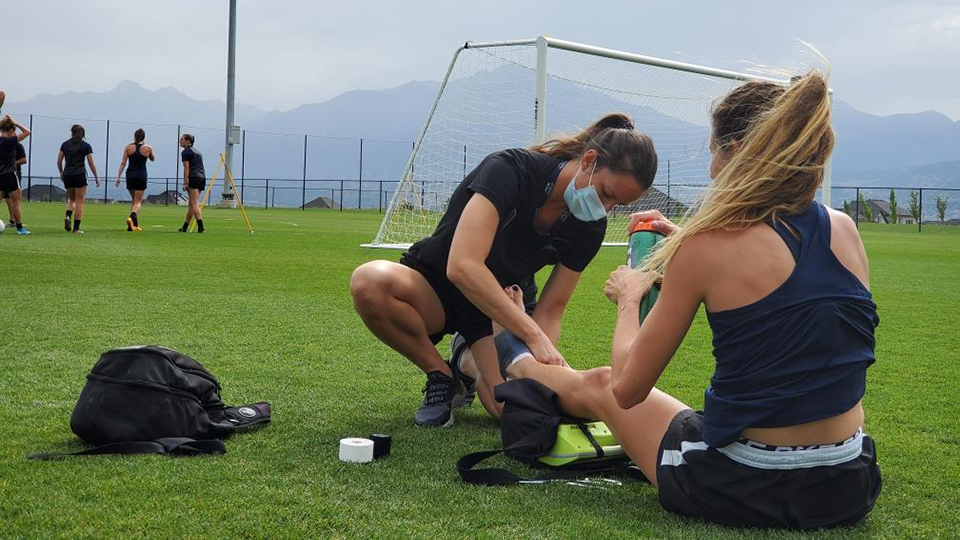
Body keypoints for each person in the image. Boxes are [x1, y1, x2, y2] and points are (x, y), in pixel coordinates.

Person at [476, 72, 882, 529]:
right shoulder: (844, 229)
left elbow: (628, 391)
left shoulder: (706, 248)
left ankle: (514, 355)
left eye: (712, 152)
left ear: (733, 152)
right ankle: (520, 358)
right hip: (848, 481)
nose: (711, 170)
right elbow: (785, 281)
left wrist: (629, 299)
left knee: (604, 383)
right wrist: (685, 241)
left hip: (746, 483)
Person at [350, 113, 658, 428]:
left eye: (617, 205)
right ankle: (441, 375)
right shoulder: (511, 169)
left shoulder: (590, 227)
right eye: (606, 193)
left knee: (512, 408)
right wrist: (532, 336)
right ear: (589, 161)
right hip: (436, 288)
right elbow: (463, 266)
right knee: (369, 283)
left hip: (496, 312)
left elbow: (552, 308)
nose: (605, 208)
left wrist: (542, 366)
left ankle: (466, 360)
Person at [57, 124, 99, 234]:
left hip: (68, 174)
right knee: (79, 201)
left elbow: (59, 161)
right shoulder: (86, 146)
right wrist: (96, 177)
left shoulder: (65, 144)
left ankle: (67, 216)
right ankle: (76, 228)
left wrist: (61, 172)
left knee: (71, 199)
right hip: (80, 174)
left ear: (72, 132)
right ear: (83, 134)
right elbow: (91, 163)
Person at [115, 128, 155, 231]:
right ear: (144, 137)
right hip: (141, 174)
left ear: (134, 136)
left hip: (130, 174)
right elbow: (152, 158)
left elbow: (123, 162)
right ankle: (131, 217)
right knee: (138, 202)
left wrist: (118, 176)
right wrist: (149, 153)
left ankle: (134, 226)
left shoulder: (128, 147)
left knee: (134, 201)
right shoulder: (148, 148)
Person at [0, 115, 31, 234]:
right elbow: (27, 131)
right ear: (10, 130)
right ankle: (20, 228)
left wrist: (4, 121)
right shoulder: (12, 141)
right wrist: (15, 122)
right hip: (10, 175)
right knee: (16, 202)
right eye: (13, 131)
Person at [179, 133, 205, 233]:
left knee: (194, 203)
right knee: (191, 204)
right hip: (202, 177)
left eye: (182, 139)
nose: (180, 141)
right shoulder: (198, 152)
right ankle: (185, 226)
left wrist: (185, 182)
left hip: (193, 177)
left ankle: (200, 226)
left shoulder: (186, 152)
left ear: (188, 141)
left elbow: (186, 168)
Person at [3, 138, 25, 225]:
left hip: (14, 173)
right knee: (7, 197)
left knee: (16, 198)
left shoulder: (18, 146)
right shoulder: (2, 145)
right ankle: (12, 220)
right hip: (2, 173)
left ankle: (18, 222)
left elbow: (24, 160)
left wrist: (10, 164)